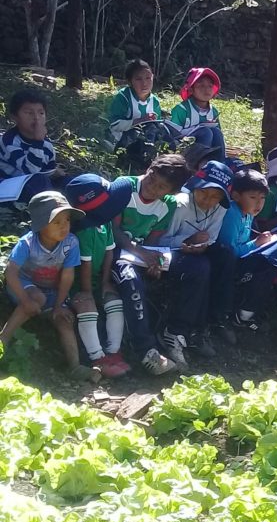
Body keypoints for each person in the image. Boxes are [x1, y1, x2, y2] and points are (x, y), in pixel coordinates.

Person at [0, 192, 99, 382]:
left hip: (51, 292)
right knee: (37, 298)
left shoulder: (70, 243)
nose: (64, 226)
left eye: (67, 220)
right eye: (57, 222)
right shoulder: (28, 243)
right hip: (22, 286)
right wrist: (25, 299)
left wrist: (59, 305)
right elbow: (10, 273)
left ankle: (74, 366)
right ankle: (3, 338)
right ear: (40, 223)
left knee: (64, 320)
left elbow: (67, 275)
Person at [110, 154, 193, 374]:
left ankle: (177, 334)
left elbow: (153, 242)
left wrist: (153, 262)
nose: (152, 189)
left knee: (190, 269)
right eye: (151, 180)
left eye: (161, 188)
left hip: (138, 254)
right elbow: (113, 230)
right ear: (149, 169)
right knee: (130, 279)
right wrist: (140, 253)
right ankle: (145, 349)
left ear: (171, 191)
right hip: (113, 253)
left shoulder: (168, 205)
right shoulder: (125, 187)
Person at [218, 168, 277, 333]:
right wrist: (256, 244)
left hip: (243, 259)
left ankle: (254, 311)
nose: (259, 203)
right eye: (253, 197)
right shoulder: (232, 214)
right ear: (236, 196)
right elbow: (230, 251)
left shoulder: (247, 214)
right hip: (230, 265)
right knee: (269, 259)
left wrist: (259, 242)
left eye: (262, 198)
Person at [157, 160, 235, 356]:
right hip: (169, 251)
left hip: (198, 250)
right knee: (200, 267)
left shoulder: (220, 209)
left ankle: (214, 320)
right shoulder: (181, 204)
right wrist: (189, 240)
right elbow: (161, 240)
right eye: (204, 193)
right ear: (195, 188)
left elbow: (212, 237)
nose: (208, 201)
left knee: (226, 255)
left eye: (215, 197)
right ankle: (177, 331)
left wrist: (201, 246)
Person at [65, 174, 134, 378]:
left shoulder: (104, 224)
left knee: (115, 302)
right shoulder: (84, 231)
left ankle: (114, 352)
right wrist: (87, 291)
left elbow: (109, 252)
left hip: (96, 280)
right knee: (87, 306)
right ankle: (97, 357)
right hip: (76, 284)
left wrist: (105, 283)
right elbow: (84, 265)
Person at [108, 59, 175, 171]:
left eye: (148, 78)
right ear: (130, 82)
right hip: (124, 141)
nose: (144, 83)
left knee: (163, 129)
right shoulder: (123, 97)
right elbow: (114, 125)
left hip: (148, 139)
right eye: (138, 79)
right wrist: (139, 121)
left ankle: (170, 163)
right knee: (148, 128)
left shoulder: (154, 101)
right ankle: (145, 162)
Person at [0, 89, 58, 203]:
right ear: (15, 117)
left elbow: (49, 170)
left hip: (37, 186)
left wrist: (56, 174)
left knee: (68, 182)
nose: (36, 118)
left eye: (41, 113)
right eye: (29, 113)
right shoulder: (9, 141)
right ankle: (52, 213)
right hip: (8, 190)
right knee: (38, 180)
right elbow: (30, 170)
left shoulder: (47, 145)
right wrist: (38, 141)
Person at [169, 67, 225, 161]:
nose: (206, 89)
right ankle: (197, 166)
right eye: (201, 86)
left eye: (210, 86)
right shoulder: (182, 109)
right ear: (191, 90)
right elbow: (173, 134)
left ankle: (220, 164)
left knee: (217, 132)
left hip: (209, 151)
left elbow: (218, 138)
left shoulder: (213, 112)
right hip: (184, 151)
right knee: (205, 132)